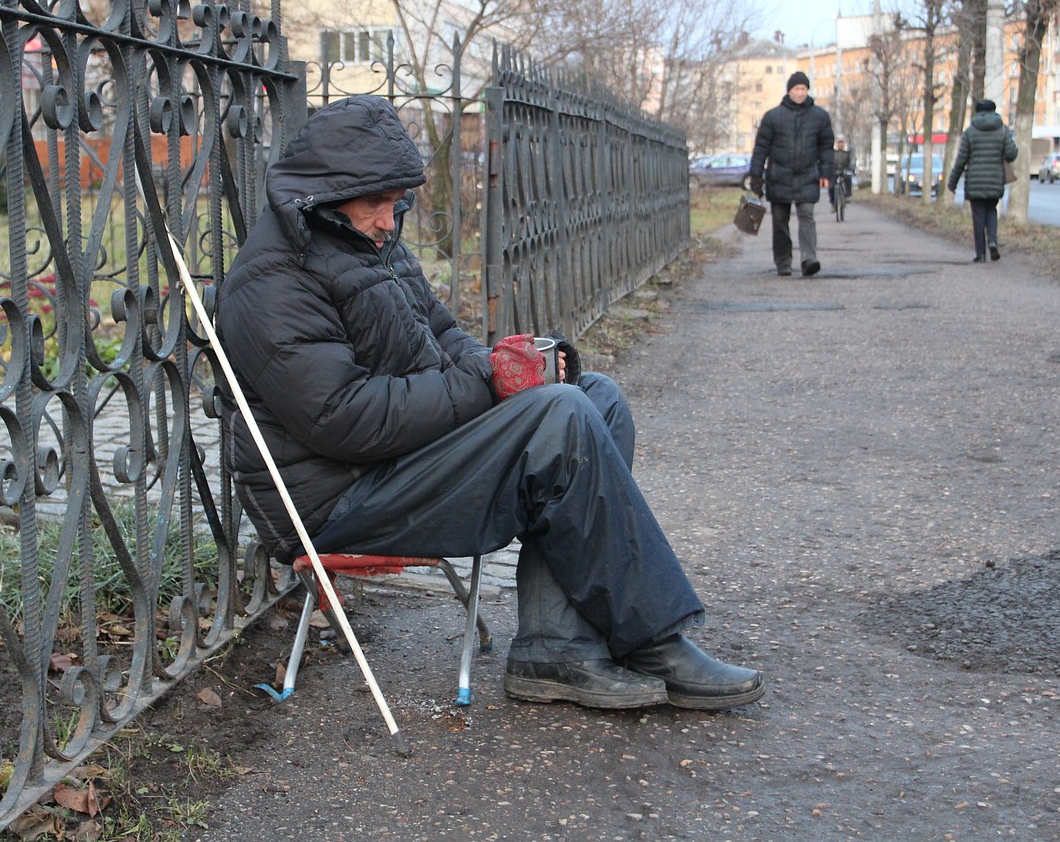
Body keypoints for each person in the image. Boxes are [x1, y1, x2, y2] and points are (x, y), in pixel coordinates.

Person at [217, 95, 764, 712]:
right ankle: (655, 639)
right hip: (340, 498)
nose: (389, 220)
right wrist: (492, 387)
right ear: (323, 193)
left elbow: (444, 337)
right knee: (560, 415)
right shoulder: (272, 280)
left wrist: (510, 368)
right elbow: (344, 419)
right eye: (375, 201)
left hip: (401, 463)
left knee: (594, 398)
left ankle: (556, 648)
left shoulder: (367, 242)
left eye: (396, 200)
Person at [748, 71, 834, 277]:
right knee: (780, 221)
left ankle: (808, 259)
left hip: (807, 175)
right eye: (796, 89)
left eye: (803, 89)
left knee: (806, 215)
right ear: (789, 91)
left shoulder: (820, 117)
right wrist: (756, 177)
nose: (800, 93)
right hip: (779, 176)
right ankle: (783, 261)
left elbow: (826, 148)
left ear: (807, 91)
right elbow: (761, 149)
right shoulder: (773, 117)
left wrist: (825, 173)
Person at [947, 99, 1018, 262]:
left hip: (975, 181)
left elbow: (961, 160)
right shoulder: (1002, 130)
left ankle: (980, 254)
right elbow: (1011, 154)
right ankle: (992, 241)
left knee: (978, 215)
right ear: (994, 111)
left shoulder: (970, 132)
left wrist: (952, 183)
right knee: (991, 211)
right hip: (995, 179)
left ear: (977, 112)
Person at [829, 135, 854, 209]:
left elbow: (853, 159)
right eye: (839, 142)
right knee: (831, 187)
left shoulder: (849, 149)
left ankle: (848, 196)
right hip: (834, 170)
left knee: (848, 180)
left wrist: (851, 167)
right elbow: (828, 160)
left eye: (842, 142)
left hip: (845, 169)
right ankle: (833, 202)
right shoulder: (832, 150)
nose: (840, 144)